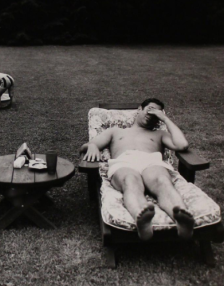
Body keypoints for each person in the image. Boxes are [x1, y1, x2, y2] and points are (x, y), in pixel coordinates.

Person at [80, 98, 195, 241]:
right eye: (150, 109)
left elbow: (182, 145)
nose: (152, 114)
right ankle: (141, 218)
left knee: (162, 181)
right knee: (130, 180)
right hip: (124, 162)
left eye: (156, 112)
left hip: (152, 162)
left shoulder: (159, 134)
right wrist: (92, 147)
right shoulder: (116, 131)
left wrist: (165, 118)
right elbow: (89, 145)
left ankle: (182, 220)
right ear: (139, 109)